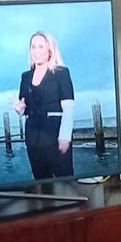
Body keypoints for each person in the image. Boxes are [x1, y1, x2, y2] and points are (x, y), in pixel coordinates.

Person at [13, 32, 75, 181]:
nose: (36, 51)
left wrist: (65, 137)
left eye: (41, 46)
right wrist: (19, 109)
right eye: (33, 47)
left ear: (50, 50)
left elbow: (68, 108)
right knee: (41, 182)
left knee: (65, 181)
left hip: (55, 135)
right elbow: (25, 108)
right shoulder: (25, 77)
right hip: (33, 137)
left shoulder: (61, 73)